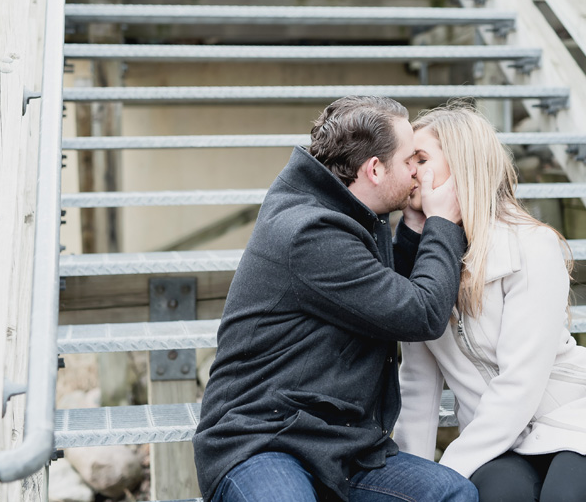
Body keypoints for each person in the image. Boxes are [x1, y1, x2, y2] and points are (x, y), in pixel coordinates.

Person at [193, 95, 478, 502]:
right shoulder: (310, 233)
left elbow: (378, 292)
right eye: (409, 160)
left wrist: (414, 226)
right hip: (262, 441)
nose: (417, 171)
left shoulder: (351, 209)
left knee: (452, 494)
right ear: (375, 169)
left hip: (343, 448)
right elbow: (421, 314)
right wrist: (442, 223)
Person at [394, 103, 586, 502]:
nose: (409, 170)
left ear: (463, 166)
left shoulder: (530, 245)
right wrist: (414, 485)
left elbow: (519, 385)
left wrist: (448, 468)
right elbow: (417, 387)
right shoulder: (421, 266)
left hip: (581, 426)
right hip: (498, 443)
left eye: (421, 159)